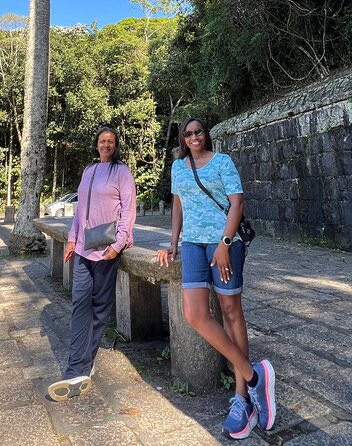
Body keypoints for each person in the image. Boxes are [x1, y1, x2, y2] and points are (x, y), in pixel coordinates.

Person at [155, 118, 276, 439]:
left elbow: (237, 203)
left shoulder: (222, 161)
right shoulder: (178, 168)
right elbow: (178, 204)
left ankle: (241, 397)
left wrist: (224, 243)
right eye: (188, 133)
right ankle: (255, 376)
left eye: (199, 132)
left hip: (225, 243)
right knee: (195, 314)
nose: (194, 137)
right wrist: (173, 242)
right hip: (192, 245)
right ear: (183, 138)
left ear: (206, 135)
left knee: (231, 311)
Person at [47, 126, 137, 402]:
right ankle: (77, 367)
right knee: (79, 304)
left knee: (99, 309)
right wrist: (73, 240)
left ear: (116, 145)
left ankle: (83, 365)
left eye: (111, 141)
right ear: (96, 145)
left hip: (108, 248)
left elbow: (128, 210)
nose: (106, 144)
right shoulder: (89, 171)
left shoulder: (121, 172)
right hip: (85, 249)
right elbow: (79, 213)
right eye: (102, 141)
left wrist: (118, 245)